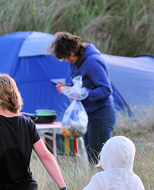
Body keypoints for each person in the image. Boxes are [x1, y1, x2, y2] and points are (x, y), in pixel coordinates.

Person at [49, 32, 116, 165]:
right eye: (64, 58)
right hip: (87, 116)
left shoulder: (92, 62)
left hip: (101, 116)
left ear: (74, 49)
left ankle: (106, 185)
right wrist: (68, 88)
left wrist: (85, 94)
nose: (67, 60)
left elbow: (106, 89)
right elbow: (81, 86)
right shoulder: (75, 61)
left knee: (98, 161)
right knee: (91, 158)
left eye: (68, 56)